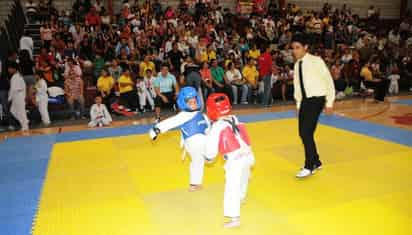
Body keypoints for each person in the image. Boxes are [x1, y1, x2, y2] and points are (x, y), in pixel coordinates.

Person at [204, 93, 255, 228]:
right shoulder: (234, 118)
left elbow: (211, 148)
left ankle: (234, 218)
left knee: (231, 186)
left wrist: (208, 158)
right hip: (247, 154)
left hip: (234, 159)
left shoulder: (217, 127)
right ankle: (242, 197)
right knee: (243, 178)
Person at [291, 33, 335, 178]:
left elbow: (328, 81)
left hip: (317, 99)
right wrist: (298, 104)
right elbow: (297, 86)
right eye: (293, 48)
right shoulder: (297, 65)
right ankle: (316, 161)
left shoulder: (317, 61)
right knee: (303, 133)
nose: (294, 51)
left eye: (297, 48)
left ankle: (309, 166)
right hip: (305, 101)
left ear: (306, 47)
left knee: (305, 132)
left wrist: (329, 102)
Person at [149, 87, 209, 192]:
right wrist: (156, 129)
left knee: (198, 161)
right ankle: (196, 182)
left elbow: (208, 127)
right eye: (189, 102)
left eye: (194, 101)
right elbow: (171, 122)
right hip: (193, 142)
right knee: (198, 160)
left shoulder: (202, 115)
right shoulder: (184, 115)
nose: (193, 103)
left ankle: (195, 184)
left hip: (201, 142)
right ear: (183, 102)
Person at [8, 61, 29, 131]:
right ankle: (25, 121)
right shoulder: (17, 75)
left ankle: (25, 126)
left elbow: (13, 89)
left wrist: (9, 98)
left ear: (14, 69)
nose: (9, 70)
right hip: (17, 95)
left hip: (18, 95)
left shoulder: (16, 76)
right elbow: (24, 86)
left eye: (10, 68)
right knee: (13, 110)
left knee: (21, 111)